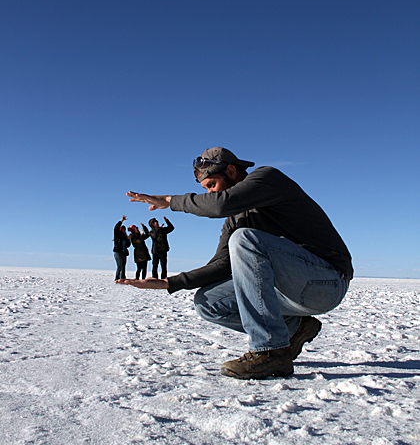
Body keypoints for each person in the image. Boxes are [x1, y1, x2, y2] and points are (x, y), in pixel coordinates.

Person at [116, 147, 353, 381]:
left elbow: (220, 205)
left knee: (244, 239)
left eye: (212, 185)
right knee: (207, 302)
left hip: (327, 281)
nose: (209, 194)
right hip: (290, 291)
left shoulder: (267, 178)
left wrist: (171, 201)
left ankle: (269, 351)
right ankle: (295, 328)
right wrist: (170, 283)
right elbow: (220, 265)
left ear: (231, 171)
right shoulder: (235, 220)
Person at [113, 215, 131, 281]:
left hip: (123, 253)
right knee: (119, 266)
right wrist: (121, 221)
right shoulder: (117, 235)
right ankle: (117, 278)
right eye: (122, 229)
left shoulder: (125, 237)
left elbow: (128, 245)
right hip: (118, 252)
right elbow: (115, 228)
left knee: (123, 266)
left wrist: (128, 239)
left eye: (124, 229)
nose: (124, 230)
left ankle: (122, 278)